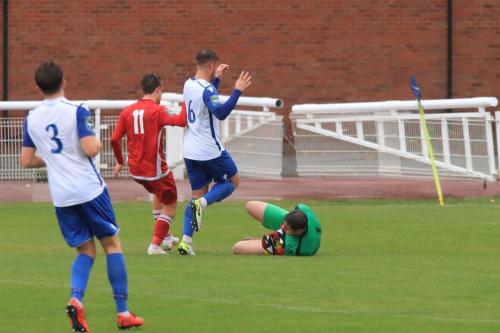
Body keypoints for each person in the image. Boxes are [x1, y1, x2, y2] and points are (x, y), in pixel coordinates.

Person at [21, 62, 143, 331]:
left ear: (38, 86)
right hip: (89, 189)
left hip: (62, 196)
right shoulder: (76, 110)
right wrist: (98, 143)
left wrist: (54, 160)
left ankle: (76, 299)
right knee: (111, 244)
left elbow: (26, 160)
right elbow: (89, 149)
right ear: (64, 80)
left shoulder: (31, 118)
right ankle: (123, 313)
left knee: (85, 250)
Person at [178, 49, 252, 255]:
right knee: (232, 181)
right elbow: (220, 112)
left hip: (190, 151)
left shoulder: (188, 84)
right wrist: (237, 90)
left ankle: (186, 241)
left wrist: (217, 79)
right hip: (209, 150)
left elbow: (206, 101)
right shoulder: (207, 90)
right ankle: (203, 203)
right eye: (215, 68)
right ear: (210, 65)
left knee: (196, 195)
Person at [111, 73, 187, 255]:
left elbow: (114, 139)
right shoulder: (158, 111)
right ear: (158, 89)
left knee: (157, 193)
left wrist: (120, 161)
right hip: (156, 170)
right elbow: (181, 121)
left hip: (136, 171)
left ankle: (167, 237)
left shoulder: (127, 111)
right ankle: (155, 245)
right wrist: (187, 103)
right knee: (170, 203)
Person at [233, 201, 322, 256]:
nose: (283, 227)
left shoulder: (295, 246)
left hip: (282, 243)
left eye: (287, 228)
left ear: (299, 231)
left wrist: (262, 241)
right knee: (250, 205)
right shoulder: (302, 208)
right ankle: (288, 223)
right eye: (284, 225)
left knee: (238, 247)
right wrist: (288, 223)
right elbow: (295, 213)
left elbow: (279, 240)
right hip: (290, 222)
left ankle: (261, 242)